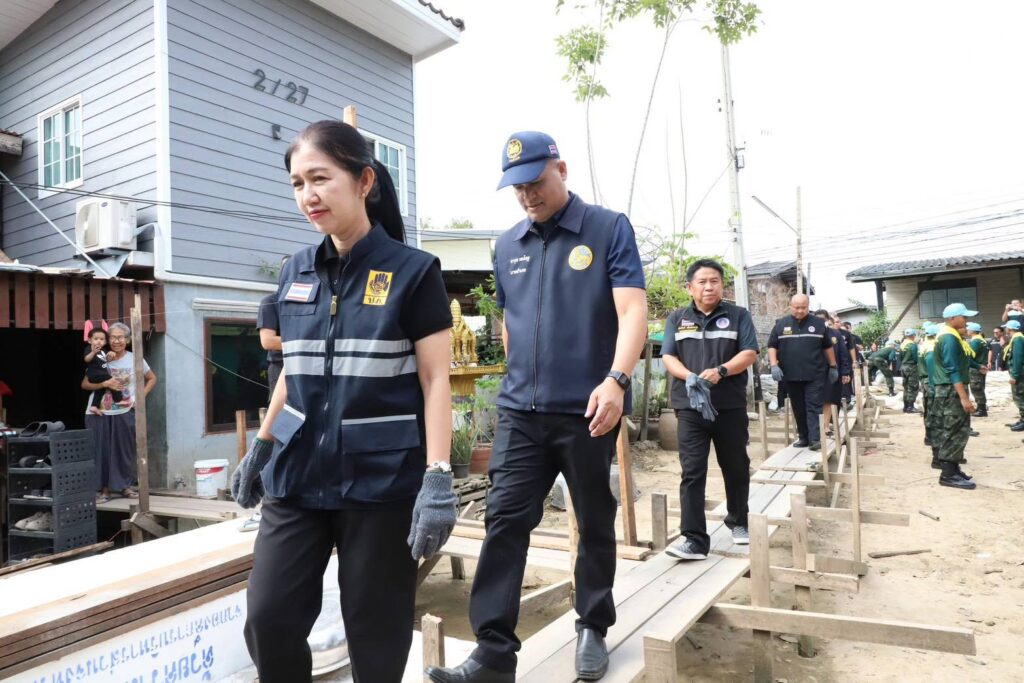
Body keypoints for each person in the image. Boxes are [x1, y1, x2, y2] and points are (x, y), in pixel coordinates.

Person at [235, 121, 456, 683]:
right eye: (297, 183)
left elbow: (435, 380)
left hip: (380, 481)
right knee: (269, 619)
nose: (308, 195)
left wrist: (437, 476)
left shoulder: (414, 272)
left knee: (375, 633)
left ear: (364, 181)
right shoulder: (295, 271)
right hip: (296, 477)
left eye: (320, 178)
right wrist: (263, 445)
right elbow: (294, 373)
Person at [426, 132, 647, 683]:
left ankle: (592, 625)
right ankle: (493, 653)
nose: (528, 195)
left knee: (594, 518)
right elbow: (509, 321)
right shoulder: (507, 246)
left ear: (561, 170)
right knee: (504, 520)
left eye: (536, 183)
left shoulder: (607, 228)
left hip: (587, 410)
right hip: (520, 414)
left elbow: (632, 312)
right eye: (517, 188)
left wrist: (617, 380)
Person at [661, 259, 758, 561]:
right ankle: (693, 539)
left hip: (728, 406)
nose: (708, 287)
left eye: (714, 281)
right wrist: (689, 376)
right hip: (690, 407)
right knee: (692, 471)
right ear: (689, 287)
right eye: (702, 282)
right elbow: (668, 356)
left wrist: (721, 371)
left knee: (736, 465)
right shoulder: (677, 318)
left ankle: (739, 521)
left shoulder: (738, 316)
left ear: (722, 286)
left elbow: (749, 353)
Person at [81, 322, 157, 503]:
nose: (116, 341)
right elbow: (85, 384)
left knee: (123, 450)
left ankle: (124, 486)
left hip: (124, 410)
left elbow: (152, 379)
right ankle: (104, 490)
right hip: (98, 412)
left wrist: (138, 399)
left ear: (128, 340)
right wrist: (103, 384)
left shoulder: (134, 359)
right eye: (113, 337)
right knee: (101, 451)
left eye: (120, 337)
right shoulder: (100, 356)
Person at [767, 295, 836, 451]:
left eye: (803, 307)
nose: (800, 310)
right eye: (796, 307)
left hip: (815, 373)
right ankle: (803, 437)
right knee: (798, 406)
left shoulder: (819, 324)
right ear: (790, 306)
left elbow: (827, 346)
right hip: (790, 374)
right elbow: (772, 345)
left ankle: (814, 439)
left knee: (813, 405)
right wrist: (773, 365)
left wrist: (833, 366)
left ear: (808, 306)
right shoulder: (781, 324)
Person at [929, 304, 977, 489]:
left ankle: (954, 469)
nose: (966, 320)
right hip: (951, 390)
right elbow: (952, 369)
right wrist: (964, 397)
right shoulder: (949, 337)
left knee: (958, 429)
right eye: (963, 317)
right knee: (953, 430)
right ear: (952, 318)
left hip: (950, 389)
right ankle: (948, 475)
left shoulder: (950, 335)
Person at [817, 310, 852, 433]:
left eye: (823, 319)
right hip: (815, 371)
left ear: (827, 320)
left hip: (832, 371)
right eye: (817, 319)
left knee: (829, 399)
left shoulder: (835, 334)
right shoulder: (811, 334)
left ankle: (825, 426)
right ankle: (816, 426)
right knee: (816, 400)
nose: (820, 322)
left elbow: (843, 353)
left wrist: (845, 372)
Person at [83, 324, 123, 414]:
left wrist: (110, 355)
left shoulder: (103, 350)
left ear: (105, 342)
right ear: (89, 340)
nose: (99, 341)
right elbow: (86, 359)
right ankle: (118, 399)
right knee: (111, 380)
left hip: (101, 375)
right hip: (94, 374)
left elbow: (107, 360)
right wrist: (93, 352)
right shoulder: (89, 348)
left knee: (100, 389)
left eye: (101, 339)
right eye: (96, 339)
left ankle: (94, 406)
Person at [966, 322, 990, 418]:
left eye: (968, 329)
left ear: (972, 331)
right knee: (980, 387)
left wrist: (976, 366)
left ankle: (981, 409)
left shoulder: (975, 341)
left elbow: (970, 355)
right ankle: (981, 407)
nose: (967, 330)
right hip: (981, 366)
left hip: (976, 368)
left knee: (976, 388)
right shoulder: (982, 340)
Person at [1004, 319, 1024, 432]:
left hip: (1020, 374)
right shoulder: (1017, 338)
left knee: (1020, 397)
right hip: (1019, 373)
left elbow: (1018, 358)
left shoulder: (1018, 339)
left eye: (1007, 327)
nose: (1006, 329)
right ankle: (1022, 419)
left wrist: (1015, 375)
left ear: (1010, 328)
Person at [899, 329, 921, 413]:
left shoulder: (902, 345)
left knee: (906, 387)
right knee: (913, 387)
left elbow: (900, 358)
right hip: (911, 367)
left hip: (903, 367)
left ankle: (905, 406)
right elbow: (916, 358)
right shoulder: (912, 345)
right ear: (913, 335)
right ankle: (910, 407)